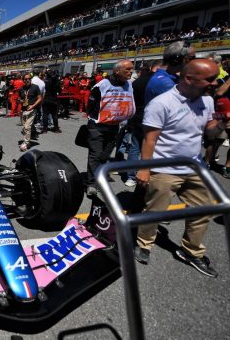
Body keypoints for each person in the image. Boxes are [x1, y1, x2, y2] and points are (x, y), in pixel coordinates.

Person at [134, 59, 224, 278]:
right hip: (163, 167)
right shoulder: (162, 103)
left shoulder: (208, 102)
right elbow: (150, 140)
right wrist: (144, 169)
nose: (216, 83)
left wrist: (221, 124)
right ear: (189, 79)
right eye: (210, 79)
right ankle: (144, 244)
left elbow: (208, 133)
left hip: (194, 167)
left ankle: (191, 250)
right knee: (155, 212)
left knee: (203, 210)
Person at [85, 60, 135, 196]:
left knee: (104, 156)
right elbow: (90, 105)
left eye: (132, 69)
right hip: (97, 126)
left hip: (114, 127)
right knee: (95, 155)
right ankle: (91, 184)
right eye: (127, 69)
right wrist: (98, 118)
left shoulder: (129, 85)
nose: (131, 72)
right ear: (117, 71)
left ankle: (99, 178)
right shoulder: (102, 85)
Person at [124, 62, 161, 187]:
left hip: (138, 118)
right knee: (152, 148)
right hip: (155, 120)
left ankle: (131, 177)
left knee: (134, 148)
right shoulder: (162, 83)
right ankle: (148, 175)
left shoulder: (138, 82)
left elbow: (130, 100)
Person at [19, 73, 43, 152]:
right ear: (23, 80)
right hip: (23, 110)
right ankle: (30, 136)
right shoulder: (21, 88)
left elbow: (40, 98)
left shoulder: (35, 87)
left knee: (27, 127)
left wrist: (33, 106)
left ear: (31, 79)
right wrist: (20, 100)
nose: (27, 80)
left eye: (29, 79)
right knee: (24, 127)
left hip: (32, 110)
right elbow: (20, 98)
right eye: (26, 79)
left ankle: (26, 143)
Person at [42, 69, 61, 133]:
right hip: (54, 100)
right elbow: (60, 91)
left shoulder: (46, 81)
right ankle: (56, 129)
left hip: (46, 99)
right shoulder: (57, 81)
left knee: (45, 114)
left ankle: (45, 129)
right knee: (54, 115)